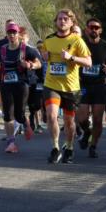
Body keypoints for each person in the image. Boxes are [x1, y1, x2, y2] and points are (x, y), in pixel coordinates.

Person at [41, 9, 92, 163]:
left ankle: (69, 147)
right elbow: (44, 54)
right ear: (55, 22)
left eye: (65, 19)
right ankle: (55, 147)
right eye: (59, 19)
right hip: (51, 84)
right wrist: (44, 56)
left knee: (69, 122)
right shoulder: (48, 40)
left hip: (71, 87)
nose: (62, 21)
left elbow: (88, 62)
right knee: (51, 115)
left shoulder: (77, 41)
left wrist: (72, 58)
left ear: (71, 22)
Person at [76, 18, 106, 159]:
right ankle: (86, 132)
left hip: (100, 86)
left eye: (96, 27)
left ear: (100, 30)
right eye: (91, 27)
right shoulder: (80, 43)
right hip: (83, 85)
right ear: (86, 29)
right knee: (81, 117)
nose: (94, 30)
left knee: (97, 119)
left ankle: (93, 146)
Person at [0, 22, 41, 153]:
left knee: (19, 114)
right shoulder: (3, 49)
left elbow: (39, 63)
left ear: (18, 34)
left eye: (14, 33)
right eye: (9, 33)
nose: (12, 35)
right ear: (7, 34)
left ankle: (25, 123)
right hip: (6, 84)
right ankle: (11, 142)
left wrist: (30, 65)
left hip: (21, 85)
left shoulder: (26, 49)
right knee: (7, 114)